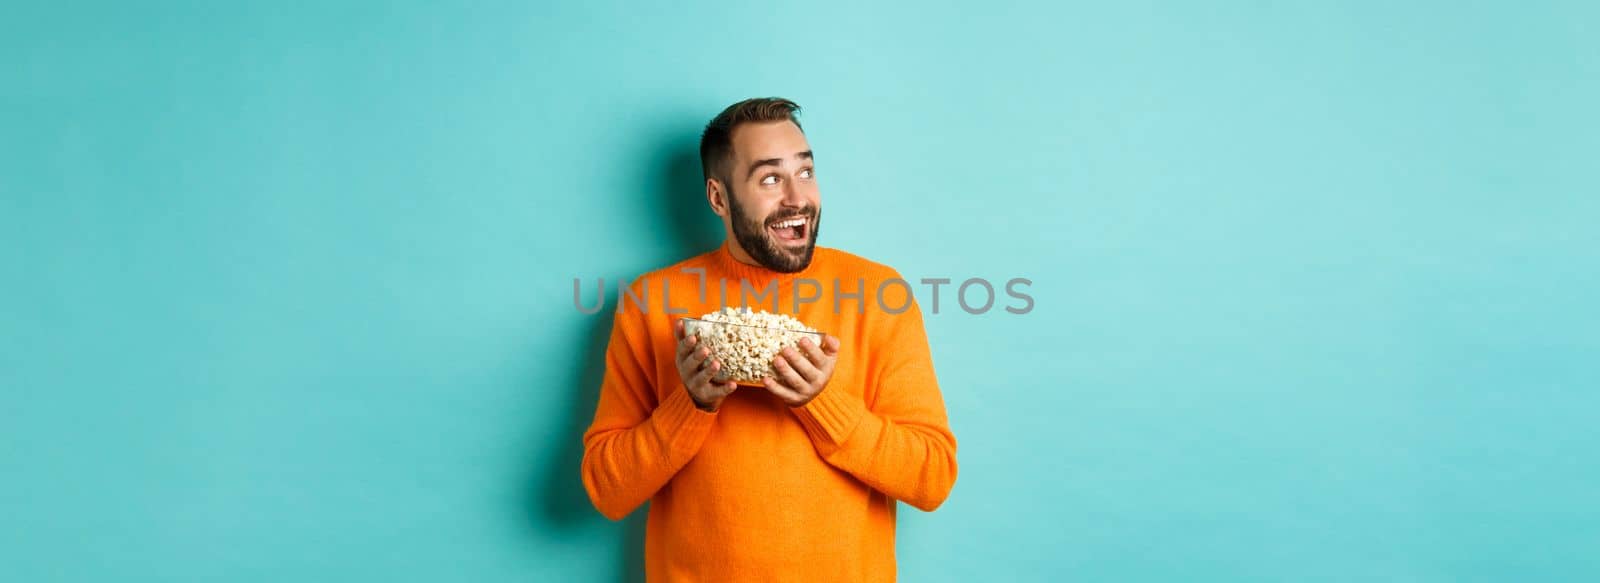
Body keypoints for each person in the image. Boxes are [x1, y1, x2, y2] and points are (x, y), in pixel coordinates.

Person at [580, 97, 958, 581]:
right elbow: (605, 490)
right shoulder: (651, 302)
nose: (797, 198)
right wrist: (689, 406)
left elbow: (931, 478)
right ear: (719, 198)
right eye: (771, 179)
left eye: (806, 171)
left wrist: (822, 403)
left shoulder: (879, 294)